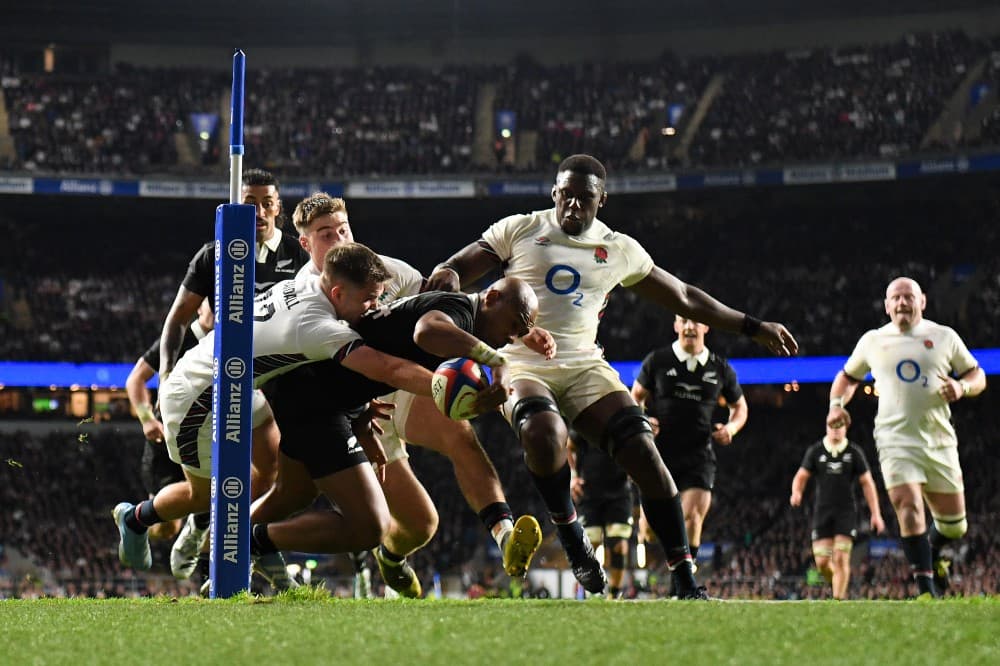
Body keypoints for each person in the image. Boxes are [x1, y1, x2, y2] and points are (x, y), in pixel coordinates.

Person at [425, 154, 798, 598]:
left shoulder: (618, 248)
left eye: (586, 199)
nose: (574, 208)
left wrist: (752, 326)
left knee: (644, 454)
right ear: (554, 194)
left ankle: (685, 583)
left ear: (603, 200)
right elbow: (456, 267)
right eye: (567, 197)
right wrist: (446, 279)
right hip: (521, 362)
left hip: (585, 365)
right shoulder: (521, 228)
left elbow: (682, 295)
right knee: (543, 432)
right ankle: (570, 533)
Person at [257, 192, 545, 597]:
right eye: (325, 234)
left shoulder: (383, 269)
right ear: (305, 244)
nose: (339, 239)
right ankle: (228, 543)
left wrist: (522, 331)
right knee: (416, 521)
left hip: (396, 383)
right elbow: (348, 363)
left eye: (343, 228)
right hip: (353, 397)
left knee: (460, 436)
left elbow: (440, 307)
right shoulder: (311, 294)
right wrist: (363, 422)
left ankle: (503, 534)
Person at [112, 243, 443, 589]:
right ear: (338, 291)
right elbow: (387, 368)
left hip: (239, 385)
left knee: (268, 475)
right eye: (369, 298)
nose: (375, 306)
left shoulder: (305, 281)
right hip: (198, 399)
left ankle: (258, 547)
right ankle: (135, 518)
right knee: (208, 494)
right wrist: (443, 386)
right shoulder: (316, 326)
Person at [156, 168, 309, 580]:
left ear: (279, 207)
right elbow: (178, 319)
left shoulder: (300, 256)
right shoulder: (215, 253)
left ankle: (217, 528)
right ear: (234, 207)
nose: (257, 211)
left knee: (272, 473)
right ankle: (201, 522)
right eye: (248, 203)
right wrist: (166, 372)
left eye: (266, 203)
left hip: (273, 380)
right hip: (223, 377)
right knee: (217, 481)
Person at [827, 277, 986, 597]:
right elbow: (847, 377)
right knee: (908, 505)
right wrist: (835, 405)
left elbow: (976, 374)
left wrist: (962, 387)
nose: (902, 303)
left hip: (938, 438)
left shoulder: (944, 336)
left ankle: (935, 552)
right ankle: (927, 590)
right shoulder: (873, 341)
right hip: (894, 438)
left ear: (922, 301)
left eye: (908, 297)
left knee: (956, 526)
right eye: (895, 298)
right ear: (886, 305)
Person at [630, 316, 747, 595]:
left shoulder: (720, 368)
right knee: (650, 531)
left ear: (707, 327)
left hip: (699, 455)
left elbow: (740, 407)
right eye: (683, 320)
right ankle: (645, 530)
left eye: (697, 321)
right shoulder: (657, 361)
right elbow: (635, 396)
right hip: (660, 455)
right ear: (675, 325)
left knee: (692, 516)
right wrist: (644, 419)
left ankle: (684, 586)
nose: (690, 327)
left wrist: (731, 427)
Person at [790, 420, 885, 600]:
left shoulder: (854, 452)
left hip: (846, 511)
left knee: (841, 557)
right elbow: (801, 476)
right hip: (822, 511)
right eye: (831, 426)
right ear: (826, 427)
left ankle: (838, 600)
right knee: (822, 563)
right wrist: (796, 492)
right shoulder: (816, 451)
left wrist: (876, 514)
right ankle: (836, 584)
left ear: (846, 428)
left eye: (839, 426)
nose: (835, 430)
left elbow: (867, 483)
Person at [568, 431, 633, 598]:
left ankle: (614, 595)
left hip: (619, 492)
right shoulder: (587, 417)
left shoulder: (623, 418)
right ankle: (583, 594)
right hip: (589, 493)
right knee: (590, 543)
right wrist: (573, 477)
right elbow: (567, 446)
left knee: (619, 544)